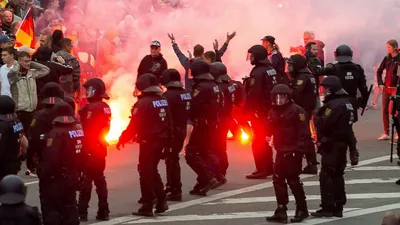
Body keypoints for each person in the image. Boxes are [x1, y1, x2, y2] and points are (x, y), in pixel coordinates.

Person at [117, 73, 172, 217]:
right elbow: (169, 122)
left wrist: (123, 138)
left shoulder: (142, 103)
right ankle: (161, 201)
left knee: (145, 172)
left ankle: (148, 204)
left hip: (148, 142)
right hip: (161, 141)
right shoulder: (162, 100)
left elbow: (134, 125)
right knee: (153, 171)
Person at [311, 76, 356, 218]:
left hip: (331, 144)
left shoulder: (333, 106)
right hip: (342, 144)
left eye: (325, 88)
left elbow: (325, 124)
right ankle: (338, 206)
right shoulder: (347, 103)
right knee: (337, 175)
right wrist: (353, 149)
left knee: (327, 175)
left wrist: (317, 116)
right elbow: (349, 128)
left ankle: (328, 207)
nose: (324, 91)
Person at [265, 84, 309, 223]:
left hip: (293, 152)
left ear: (288, 97)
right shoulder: (273, 111)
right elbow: (269, 127)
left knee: (293, 180)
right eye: (277, 97)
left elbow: (304, 133)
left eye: (282, 97)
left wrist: (299, 150)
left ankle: (302, 209)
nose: (279, 100)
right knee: (278, 180)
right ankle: (281, 209)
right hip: (280, 150)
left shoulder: (297, 111)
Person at [323, 44, 368, 165]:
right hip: (351, 103)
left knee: (338, 128)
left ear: (336, 55)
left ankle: (350, 152)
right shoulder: (357, 68)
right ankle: (353, 151)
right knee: (348, 127)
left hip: (335, 103)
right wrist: (362, 103)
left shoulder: (333, 68)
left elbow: (324, 82)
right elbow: (363, 88)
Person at [39, 102, 82, 225]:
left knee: (53, 209)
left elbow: (51, 157)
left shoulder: (56, 133)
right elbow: (84, 153)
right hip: (73, 174)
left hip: (57, 177)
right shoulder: (78, 130)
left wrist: (44, 173)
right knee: (71, 205)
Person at [244, 45, 281, 179]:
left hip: (260, 110)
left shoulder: (258, 72)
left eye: (252, 56)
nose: (251, 59)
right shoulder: (271, 69)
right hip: (271, 109)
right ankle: (269, 167)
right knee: (265, 140)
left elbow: (254, 94)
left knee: (258, 141)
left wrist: (246, 111)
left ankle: (261, 169)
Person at [185, 59, 221, 195]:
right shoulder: (213, 84)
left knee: (191, 153)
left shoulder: (201, 88)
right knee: (204, 153)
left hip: (203, 125)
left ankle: (208, 177)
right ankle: (204, 181)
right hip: (211, 123)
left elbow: (192, 106)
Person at [78, 78, 111, 221]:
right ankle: (104, 210)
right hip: (101, 147)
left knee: (86, 180)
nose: (87, 93)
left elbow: (87, 129)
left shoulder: (90, 108)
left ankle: (82, 212)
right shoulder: (105, 106)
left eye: (89, 90)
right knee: (100, 179)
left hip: (90, 148)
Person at [159, 69, 191, 201]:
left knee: (171, 160)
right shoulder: (185, 93)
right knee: (171, 159)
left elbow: (165, 116)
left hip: (172, 132)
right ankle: (171, 186)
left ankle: (175, 189)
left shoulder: (168, 96)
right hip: (181, 129)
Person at [287, 54, 318, 174]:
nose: (289, 68)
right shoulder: (307, 75)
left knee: (302, 137)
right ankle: (311, 163)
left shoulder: (303, 77)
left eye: (291, 65)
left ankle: (308, 163)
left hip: (302, 110)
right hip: (305, 109)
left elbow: (294, 93)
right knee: (304, 136)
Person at [8, 51, 50, 138]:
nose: (28, 63)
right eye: (25, 61)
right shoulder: (13, 75)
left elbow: (46, 70)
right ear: (19, 62)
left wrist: (31, 63)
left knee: (32, 135)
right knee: (21, 136)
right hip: (20, 112)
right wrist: (17, 64)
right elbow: (13, 72)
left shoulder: (31, 73)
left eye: (29, 61)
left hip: (32, 111)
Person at [27, 82, 64, 175]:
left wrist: (29, 156)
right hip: (65, 158)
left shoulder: (39, 115)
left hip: (45, 157)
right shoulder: (67, 113)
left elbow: (33, 138)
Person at [210, 62, 236, 177]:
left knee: (215, 146)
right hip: (227, 117)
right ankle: (222, 168)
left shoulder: (219, 87)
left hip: (219, 119)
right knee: (221, 145)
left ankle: (218, 170)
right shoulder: (229, 85)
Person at [376, 39, 400, 141]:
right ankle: (386, 132)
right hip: (386, 88)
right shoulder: (387, 58)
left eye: (389, 47)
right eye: (387, 47)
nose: (388, 49)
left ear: (395, 47)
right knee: (385, 110)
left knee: (394, 111)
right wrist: (380, 83)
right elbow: (379, 71)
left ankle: (398, 131)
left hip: (396, 88)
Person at [0, 95, 28, 180]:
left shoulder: (1, 125)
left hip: (2, 166)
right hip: (14, 164)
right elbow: (25, 143)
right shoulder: (17, 123)